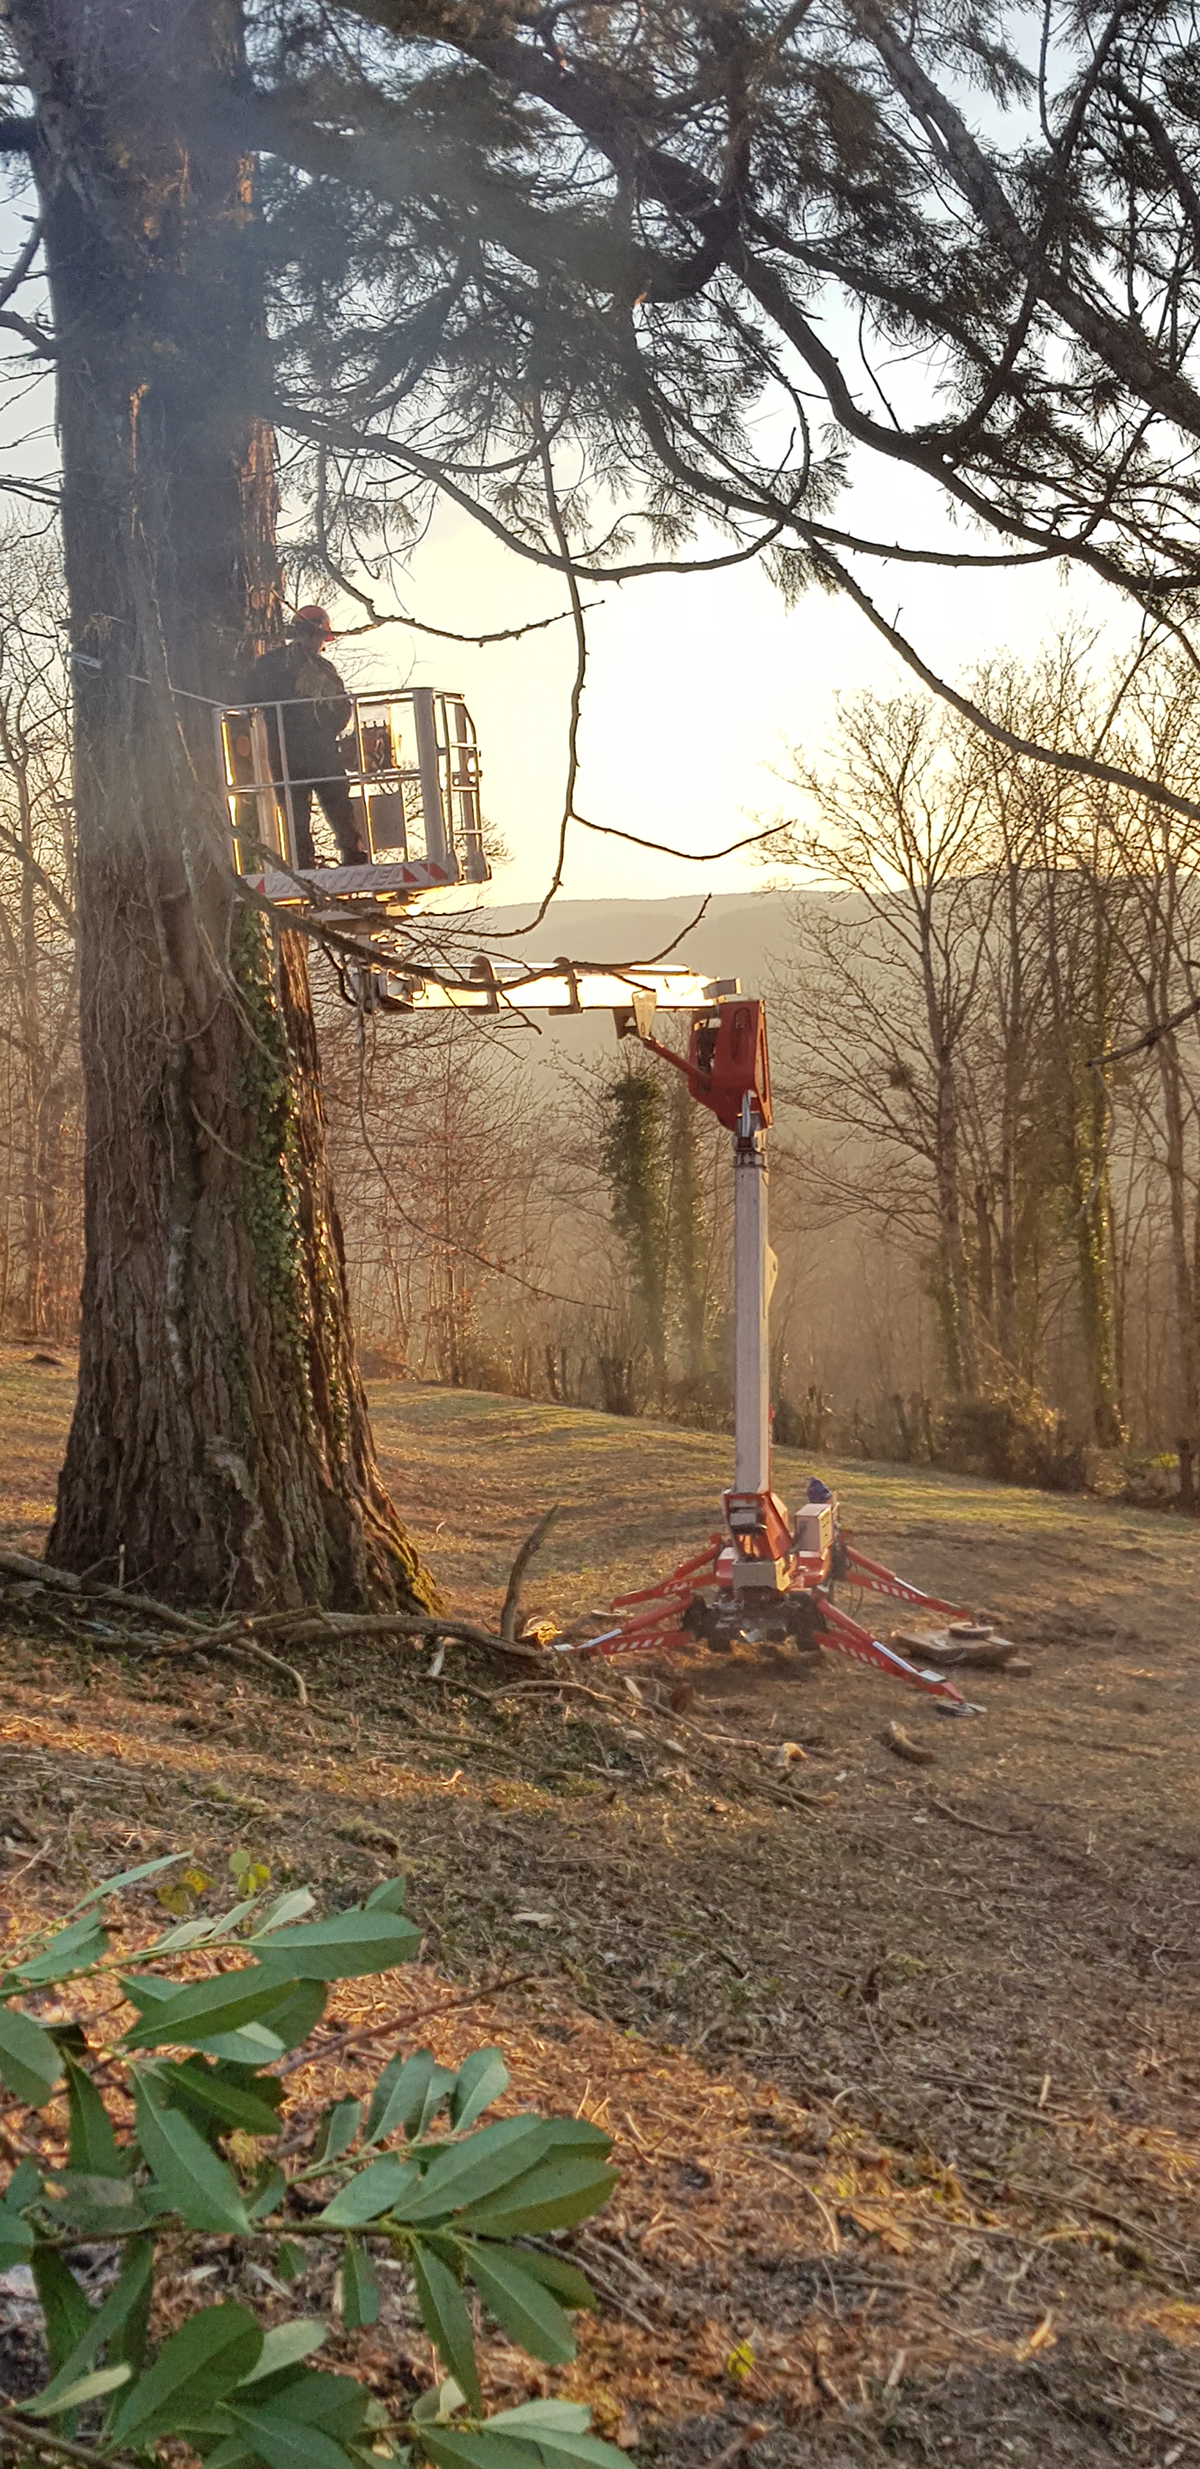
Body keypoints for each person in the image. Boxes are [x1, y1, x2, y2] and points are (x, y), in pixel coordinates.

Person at [246, 607, 369, 867]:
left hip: (285, 752)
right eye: (320, 638)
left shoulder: (268, 664)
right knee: (333, 804)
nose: (319, 645)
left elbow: (250, 697)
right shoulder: (323, 670)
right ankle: (352, 855)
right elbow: (340, 711)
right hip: (316, 751)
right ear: (312, 634)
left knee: (298, 812)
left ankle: (304, 863)